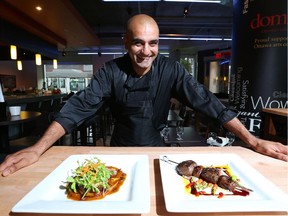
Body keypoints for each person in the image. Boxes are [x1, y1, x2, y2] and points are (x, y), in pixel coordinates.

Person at [0, 14, 287, 177]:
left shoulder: (170, 70)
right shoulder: (111, 71)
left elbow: (207, 102)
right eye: (138, 43)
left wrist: (252, 140)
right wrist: (38, 149)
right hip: (118, 152)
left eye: (153, 43)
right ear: (126, 42)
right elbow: (78, 108)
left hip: (154, 151)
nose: (146, 51)